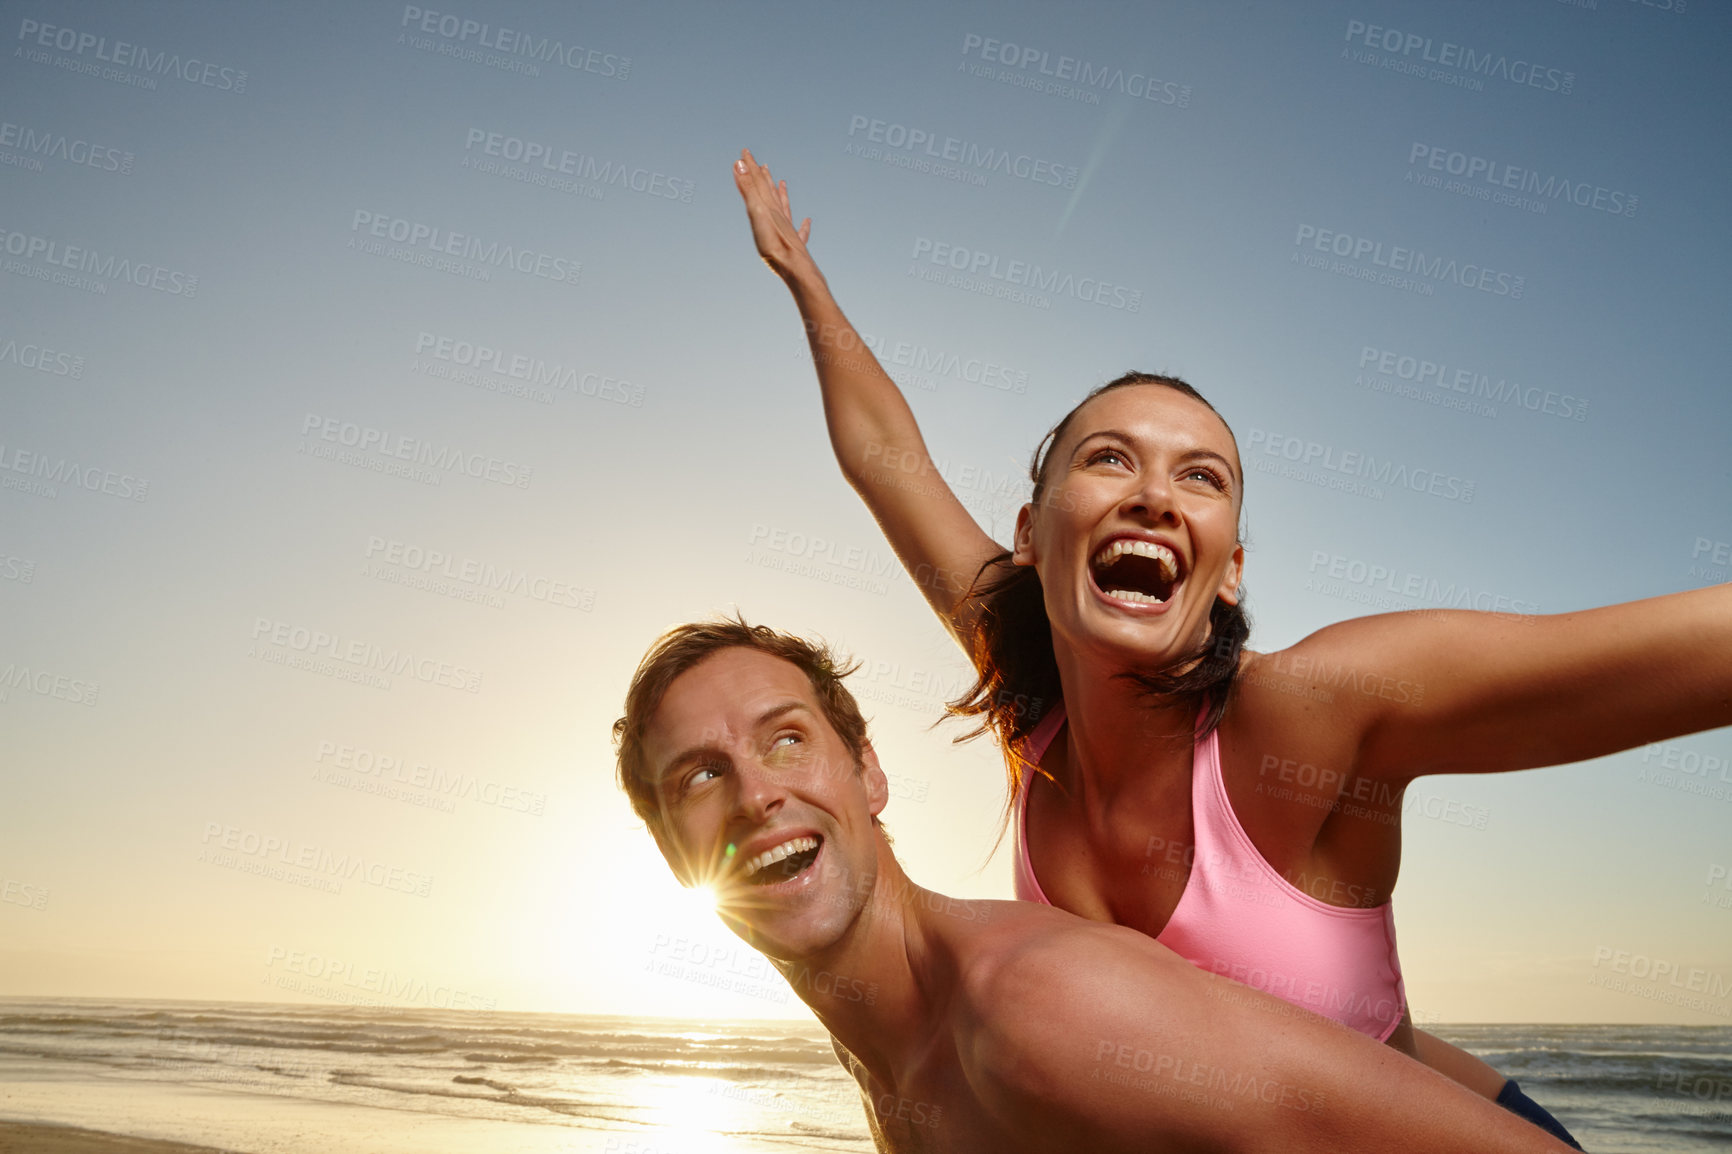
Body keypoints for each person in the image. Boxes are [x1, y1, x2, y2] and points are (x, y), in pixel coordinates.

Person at [732, 146, 1732, 1146]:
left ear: (1232, 567)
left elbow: (1678, 657)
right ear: (1033, 534)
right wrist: (805, 280)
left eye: (1200, 477)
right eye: (1109, 457)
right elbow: (884, 461)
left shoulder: (1314, 709)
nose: (1155, 496)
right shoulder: (1030, 696)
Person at [613, 617, 1582, 1153]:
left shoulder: (1034, 1010)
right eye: (698, 774)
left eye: (788, 737)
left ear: (868, 771)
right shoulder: (888, 1053)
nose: (754, 793)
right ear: (672, 851)